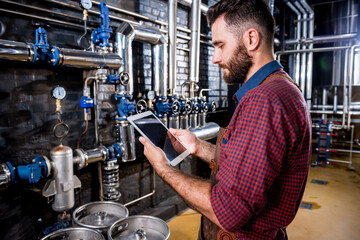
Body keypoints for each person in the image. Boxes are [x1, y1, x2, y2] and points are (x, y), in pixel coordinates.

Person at [139, 0, 312, 239]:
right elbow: (248, 167)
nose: (215, 58)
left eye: (220, 45)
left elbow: (229, 212)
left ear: (251, 39)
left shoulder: (264, 100)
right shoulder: (280, 88)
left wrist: (163, 168)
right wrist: (197, 146)